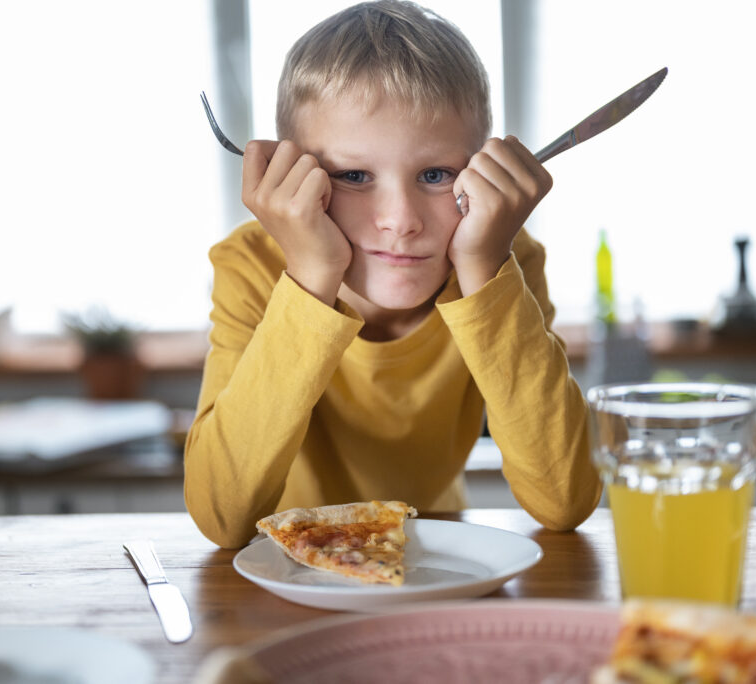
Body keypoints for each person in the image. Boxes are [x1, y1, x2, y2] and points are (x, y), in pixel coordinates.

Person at [184, 0, 601, 549]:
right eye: (354, 175)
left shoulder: (504, 260)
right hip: (285, 570)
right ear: (294, 177)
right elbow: (222, 516)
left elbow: (564, 501)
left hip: (435, 557)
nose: (401, 221)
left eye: (435, 174)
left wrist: (483, 268)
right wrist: (312, 274)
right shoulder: (250, 266)